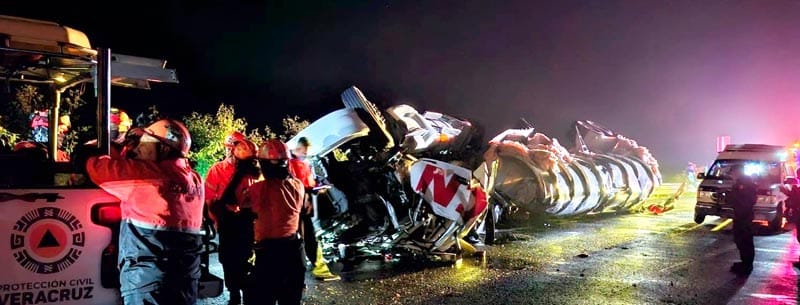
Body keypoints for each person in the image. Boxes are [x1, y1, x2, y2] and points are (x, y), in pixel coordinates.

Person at [85, 119, 204, 304]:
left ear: (164, 148)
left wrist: (107, 148)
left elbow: (96, 167)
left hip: (149, 281)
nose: (138, 148)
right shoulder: (195, 179)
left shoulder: (149, 175)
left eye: (145, 143)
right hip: (186, 279)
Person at [241, 139, 306, 305]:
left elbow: (233, 203)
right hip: (294, 253)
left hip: (269, 255)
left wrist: (242, 172)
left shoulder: (259, 189)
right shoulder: (298, 186)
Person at [204, 131, 260, 305]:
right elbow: (209, 199)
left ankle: (246, 290)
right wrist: (214, 219)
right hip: (227, 220)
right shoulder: (218, 170)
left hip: (248, 219)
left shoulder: (253, 171)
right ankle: (234, 292)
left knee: (247, 257)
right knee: (229, 259)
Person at [289, 137, 340, 281]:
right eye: (304, 151)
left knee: (298, 241)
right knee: (307, 240)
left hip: (298, 208)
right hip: (298, 208)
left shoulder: (299, 163)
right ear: (298, 148)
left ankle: (295, 276)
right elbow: (300, 186)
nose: (305, 154)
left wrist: (317, 187)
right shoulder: (294, 164)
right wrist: (312, 192)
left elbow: (309, 184)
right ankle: (319, 270)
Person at [727, 164, 758, 275]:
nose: (731, 175)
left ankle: (747, 265)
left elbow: (748, 200)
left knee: (745, 241)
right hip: (740, 216)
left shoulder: (746, 183)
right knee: (740, 240)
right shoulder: (740, 183)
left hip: (744, 217)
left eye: (733, 173)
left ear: (738, 172)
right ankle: (744, 263)